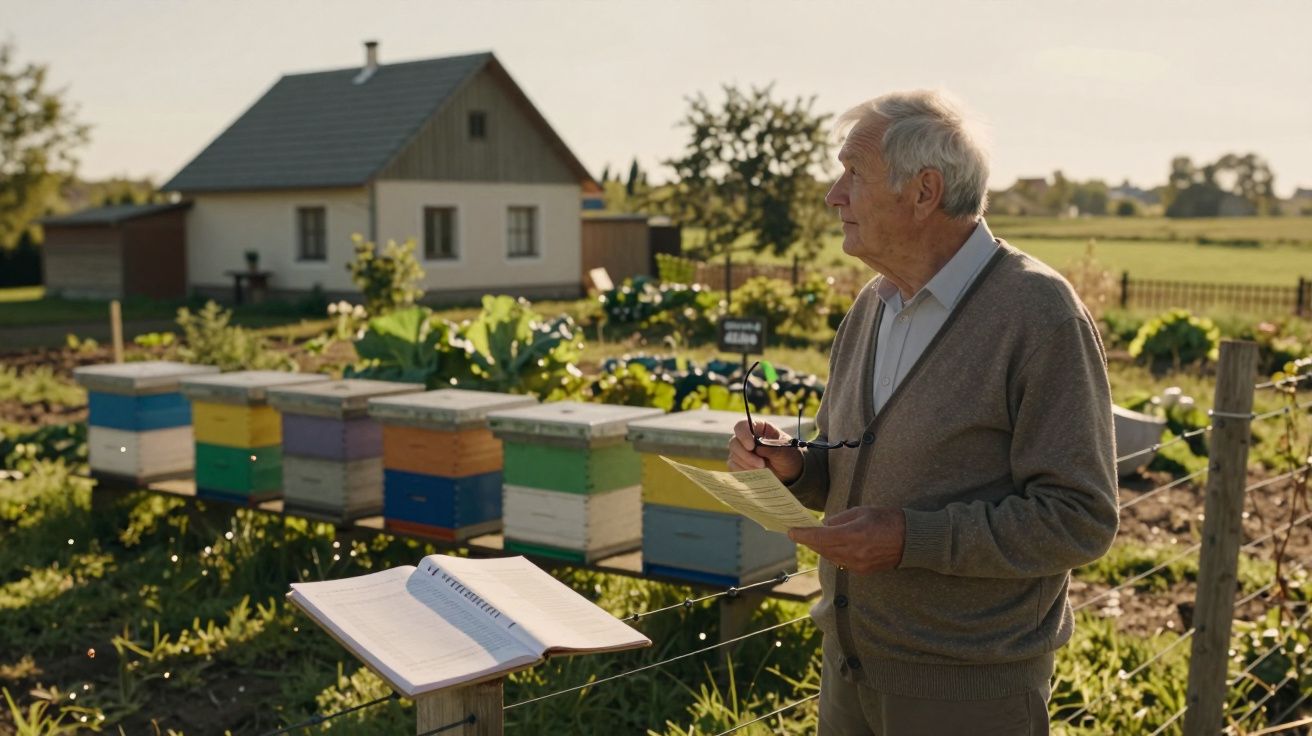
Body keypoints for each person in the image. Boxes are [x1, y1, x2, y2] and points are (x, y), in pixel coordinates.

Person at [727, 90, 1119, 735]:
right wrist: (796, 468)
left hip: (967, 692)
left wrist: (911, 539)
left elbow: (1079, 520)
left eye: (854, 174)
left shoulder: (1038, 313)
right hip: (850, 672)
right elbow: (855, 469)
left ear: (924, 191)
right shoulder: (872, 307)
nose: (833, 195)